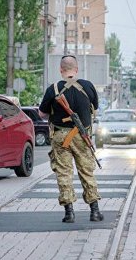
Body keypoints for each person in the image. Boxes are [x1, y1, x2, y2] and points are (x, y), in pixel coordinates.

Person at [39, 55, 103, 223]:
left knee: (64, 173)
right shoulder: (88, 86)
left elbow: (41, 113)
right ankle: (94, 211)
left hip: (60, 136)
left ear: (61, 70)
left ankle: (69, 213)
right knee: (86, 171)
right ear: (76, 69)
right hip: (82, 136)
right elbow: (94, 107)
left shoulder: (53, 89)